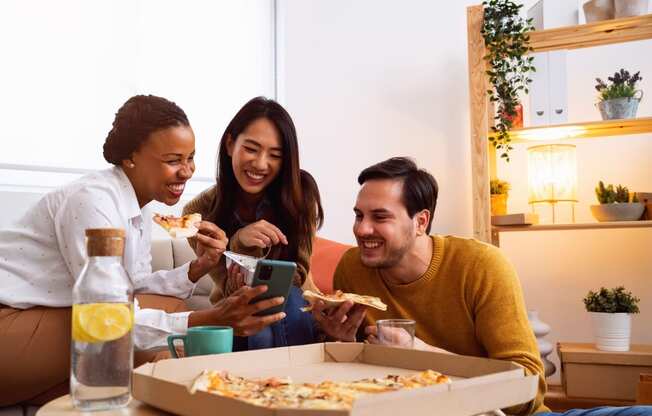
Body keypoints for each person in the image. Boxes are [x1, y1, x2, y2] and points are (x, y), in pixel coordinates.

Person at [0, 95, 286, 406]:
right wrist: (209, 317)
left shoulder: (136, 210)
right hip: (10, 323)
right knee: (170, 320)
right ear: (131, 157)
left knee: (166, 317)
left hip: (34, 327)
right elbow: (110, 315)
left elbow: (133, 287)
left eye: (190, 158)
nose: (187, 171)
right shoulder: (93, 201)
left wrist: (199, 266)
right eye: (173, 160)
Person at [312, 157, 652, 416]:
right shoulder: (353, 269)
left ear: (421, 221)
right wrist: (341, 343)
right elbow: (359, 386)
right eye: (359, 215)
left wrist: (424, 355)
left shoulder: (481, 266)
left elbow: (529, 387)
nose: (362, 229)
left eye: (380, 217)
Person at [183, 96, 323, 350]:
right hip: (235, 318)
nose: (260, 164)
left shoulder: (300, 196)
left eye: (275, 155)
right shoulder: (198, 214)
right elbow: (226, 290)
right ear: (229, 144)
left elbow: (299, 274)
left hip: (295, 317)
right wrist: (239, 244)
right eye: (251, 148)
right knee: (249, 310)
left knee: (286, 297)